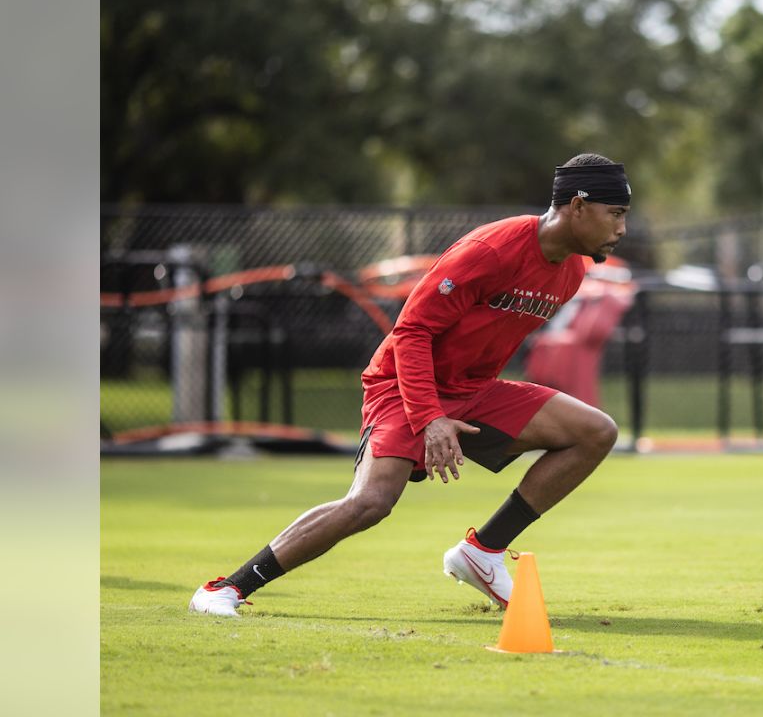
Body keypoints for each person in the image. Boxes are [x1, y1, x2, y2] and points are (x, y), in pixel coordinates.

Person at [190, 153, 632, 616]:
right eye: (615, 214)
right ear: (578, 206)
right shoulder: (491, 250)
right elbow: (411, 332)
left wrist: (463, 409)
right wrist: (431, 417)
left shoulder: (573, 271)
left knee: (595, 431)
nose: (621, 228)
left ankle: (482, 553)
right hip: (401, 385)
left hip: (473, 389)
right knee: (370, 503)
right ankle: (227, 589)